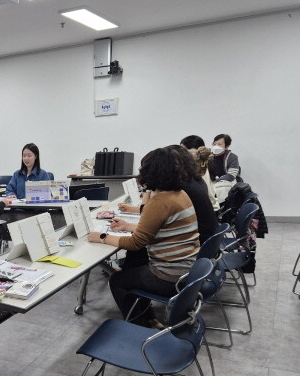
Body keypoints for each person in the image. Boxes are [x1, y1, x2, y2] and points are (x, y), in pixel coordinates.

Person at [88, 146, 200, 328]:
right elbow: (161, 229)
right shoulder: (181, 195)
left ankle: (139, 326)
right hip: (188, 270)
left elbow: (135, 242)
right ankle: (149, 317)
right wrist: (128, 226)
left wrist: (102, 237)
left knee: (118, 280)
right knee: (135, 261)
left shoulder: (160, 202)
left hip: (170, 276)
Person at [120, 144, 217, 245]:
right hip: (203, 240)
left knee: (137, 248)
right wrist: (133, 210)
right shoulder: (191, 181)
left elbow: (149, 218)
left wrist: (148, 187)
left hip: (196, 241)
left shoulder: (180, 189)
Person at [180, 135, 219, 211]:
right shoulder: (206, 164)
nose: (180, 154)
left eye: (184, 150)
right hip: (211, 207)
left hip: (208, 209)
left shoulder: (198, 169)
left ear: (195, 151)